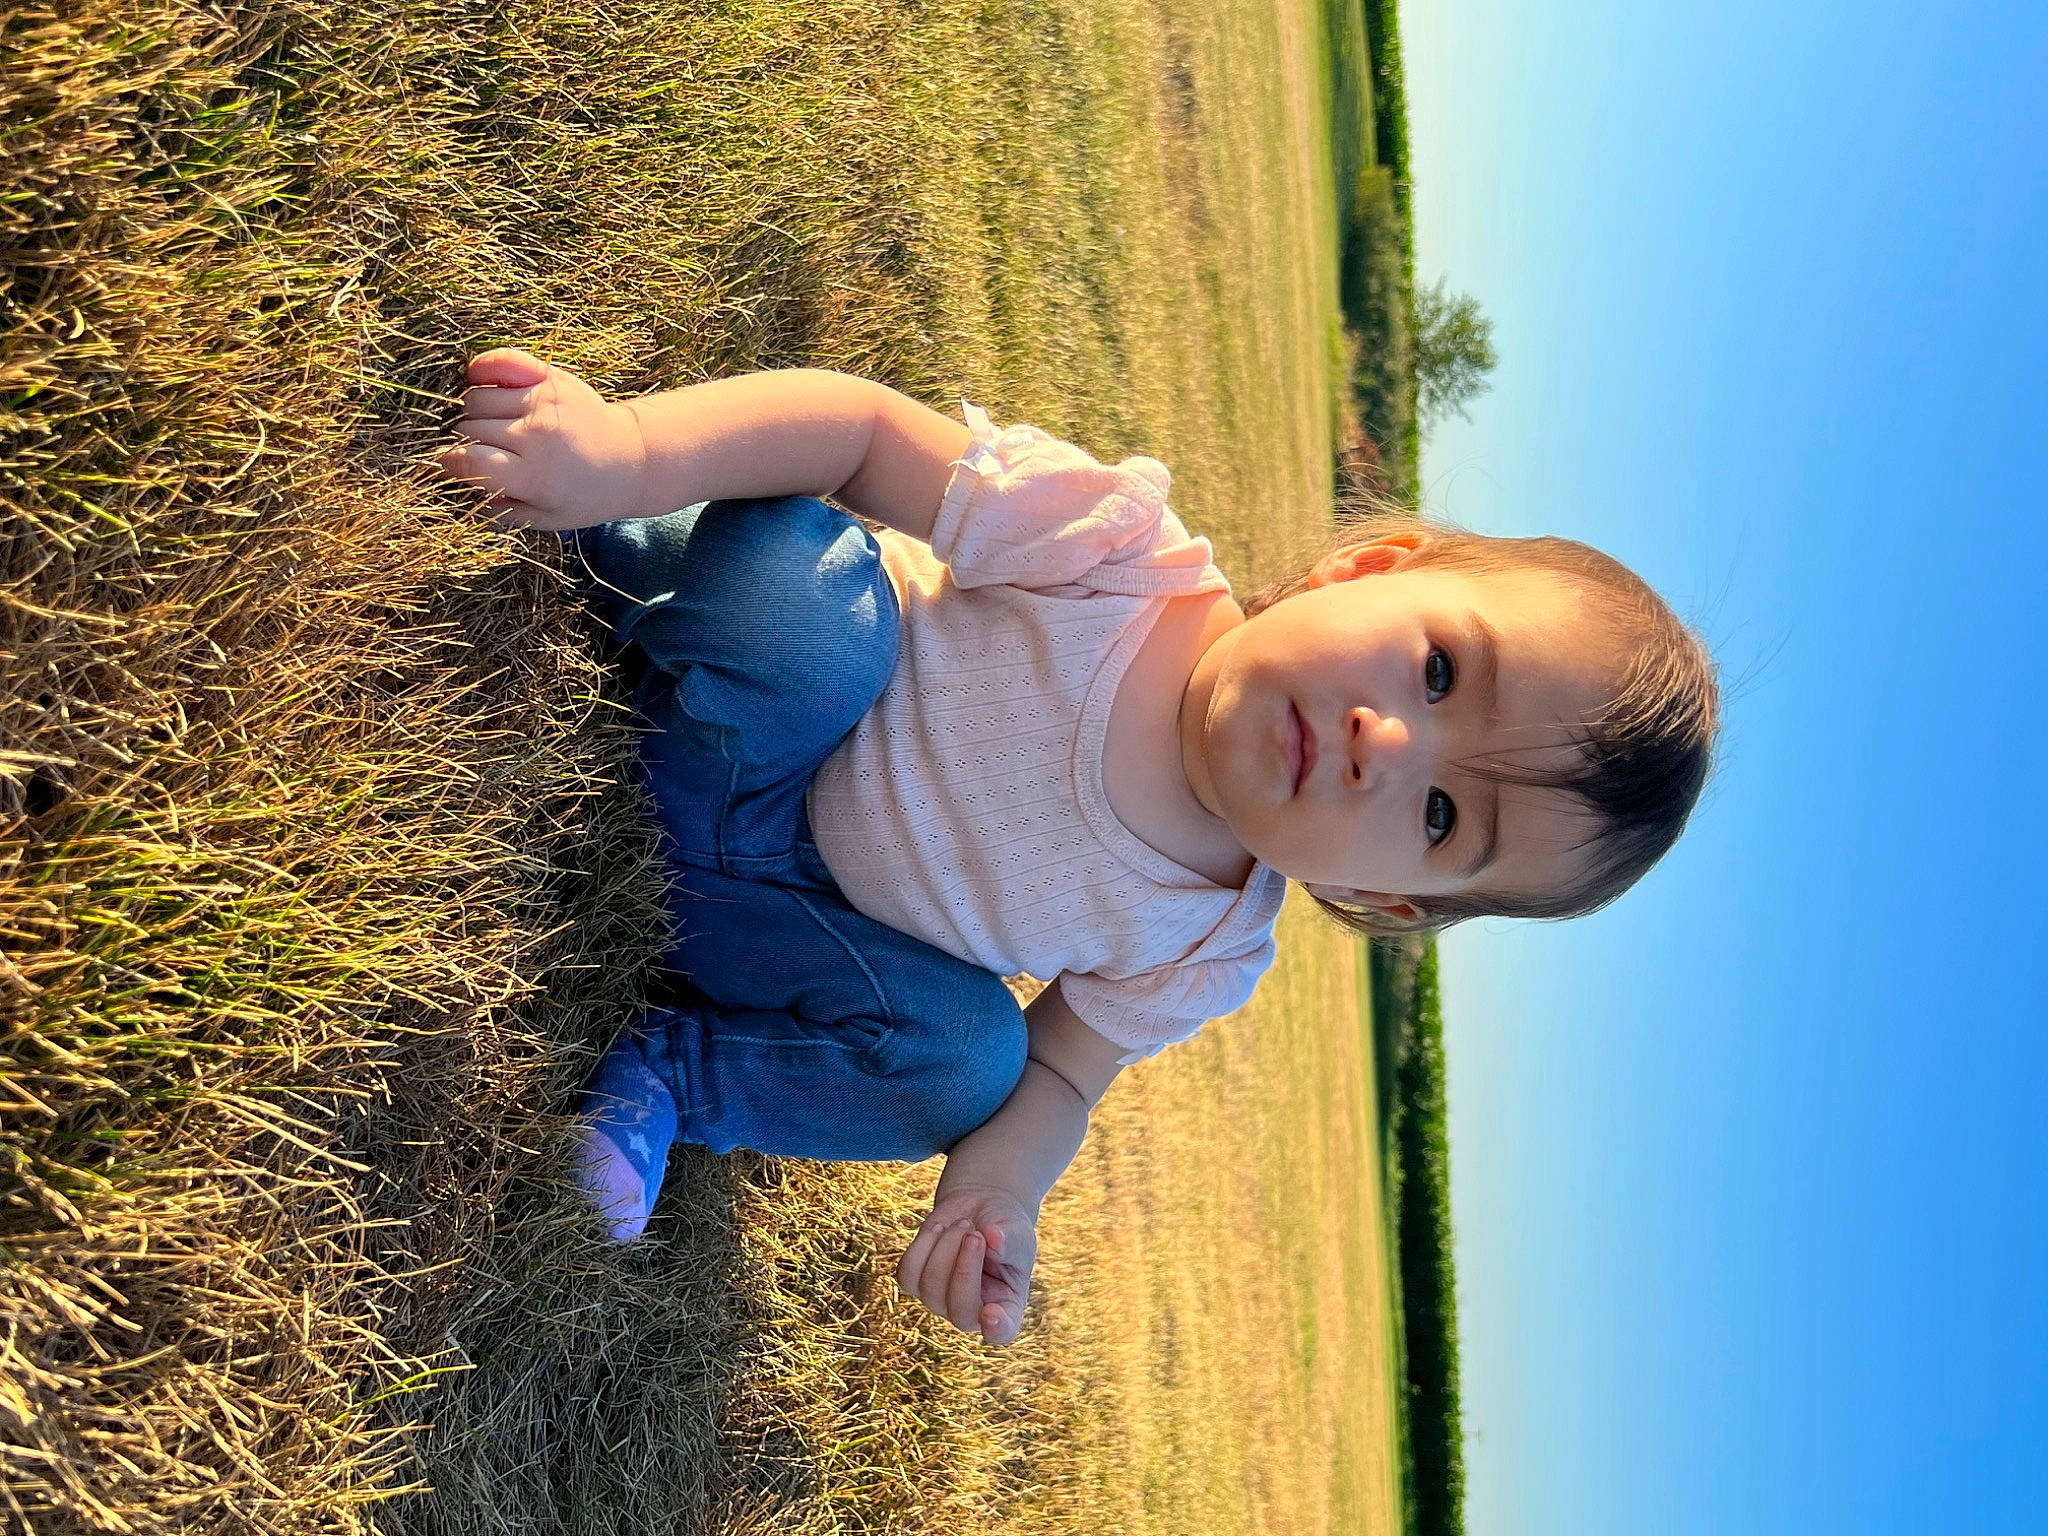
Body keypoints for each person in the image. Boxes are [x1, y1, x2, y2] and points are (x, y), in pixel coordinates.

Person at [433, 347, 1718, 1347]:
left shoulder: (1206, 941)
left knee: (964, 1064)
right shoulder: (1118, 557)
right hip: (761, 710)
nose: (1391, 746)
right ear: (1367, 568)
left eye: (1441, 818)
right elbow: (860, 433)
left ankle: (675, 1074)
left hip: (776, 922)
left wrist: (997, 1194)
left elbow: (1056, 1079)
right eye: (1440, 670)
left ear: (1381, 894)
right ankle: (611, 539)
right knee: (809, 606)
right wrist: (629, 451)